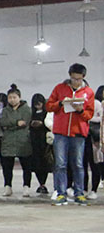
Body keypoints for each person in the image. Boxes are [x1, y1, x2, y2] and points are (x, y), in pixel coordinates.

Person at [46, 63, 95, 206]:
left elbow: (89, 114)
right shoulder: (59, 88)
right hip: (61, 133)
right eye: (74, 79)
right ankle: (61, 193)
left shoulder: (88, 92)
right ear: (69, 76)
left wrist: (80, 110)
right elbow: (49, 106)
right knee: (60, 164)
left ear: (83, 77)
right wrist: (60, 103)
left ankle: (79, 193)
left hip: (78, 133)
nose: (76, 82)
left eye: (79, 79)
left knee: (78, 164)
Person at [0, 85, 32, 197]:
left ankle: (26, 186)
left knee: (26, 166)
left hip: (23, 141)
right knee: (7, 166)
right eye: (10, 97)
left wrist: (11, 124)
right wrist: (17, 123)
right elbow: (3, 122)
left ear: (19, 97)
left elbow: (25, 122)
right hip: (8, 141)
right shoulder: (5, 110)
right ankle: (7, 186)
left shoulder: (27, 109)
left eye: (14, 97)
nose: (12, 100)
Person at [26, 94, 50, 195]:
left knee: (45, 164)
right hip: (34, 141)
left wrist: (42, 124)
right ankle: (41, 183)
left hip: (44, 141)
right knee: (36, 164)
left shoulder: (47, 113)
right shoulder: (31, 113)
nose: (38, 105)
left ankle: (43, 183)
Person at [85, 86, 104, 200]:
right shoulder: (80, 103)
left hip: (95, 137)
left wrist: (90, 119)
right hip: (85, 136)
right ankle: (83, 189)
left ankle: (94, 189)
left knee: (95, 163)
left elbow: (100, 119)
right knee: (83, 164)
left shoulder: (97, 104)